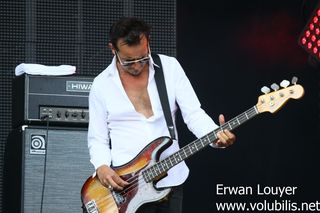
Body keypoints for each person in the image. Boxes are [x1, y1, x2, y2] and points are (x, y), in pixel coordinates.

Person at [87, 17, 236, 213]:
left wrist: (215, 137)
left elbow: (193, 115)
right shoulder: (101, 85)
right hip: (126, 188)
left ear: (148, 43)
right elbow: (98, 138)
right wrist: (102, 167)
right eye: (128, 61)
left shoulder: (170, 67)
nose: (137, 65)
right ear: (112, 49)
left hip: (171, 177)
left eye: (142, 57)